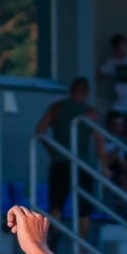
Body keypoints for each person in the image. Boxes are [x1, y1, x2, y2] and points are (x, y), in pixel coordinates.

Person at [35, 77, 97, 220]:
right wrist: (105, 166)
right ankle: (82, 236)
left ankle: (54, 233)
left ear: (70, 91)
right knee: (83, 209)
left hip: (60, 161)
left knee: (56, 205)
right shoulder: (90, 112)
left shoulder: (56, 108)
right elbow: (99, 141)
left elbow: (39, 131)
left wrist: (51, 149)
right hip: (82, 164)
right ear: (87, 94)